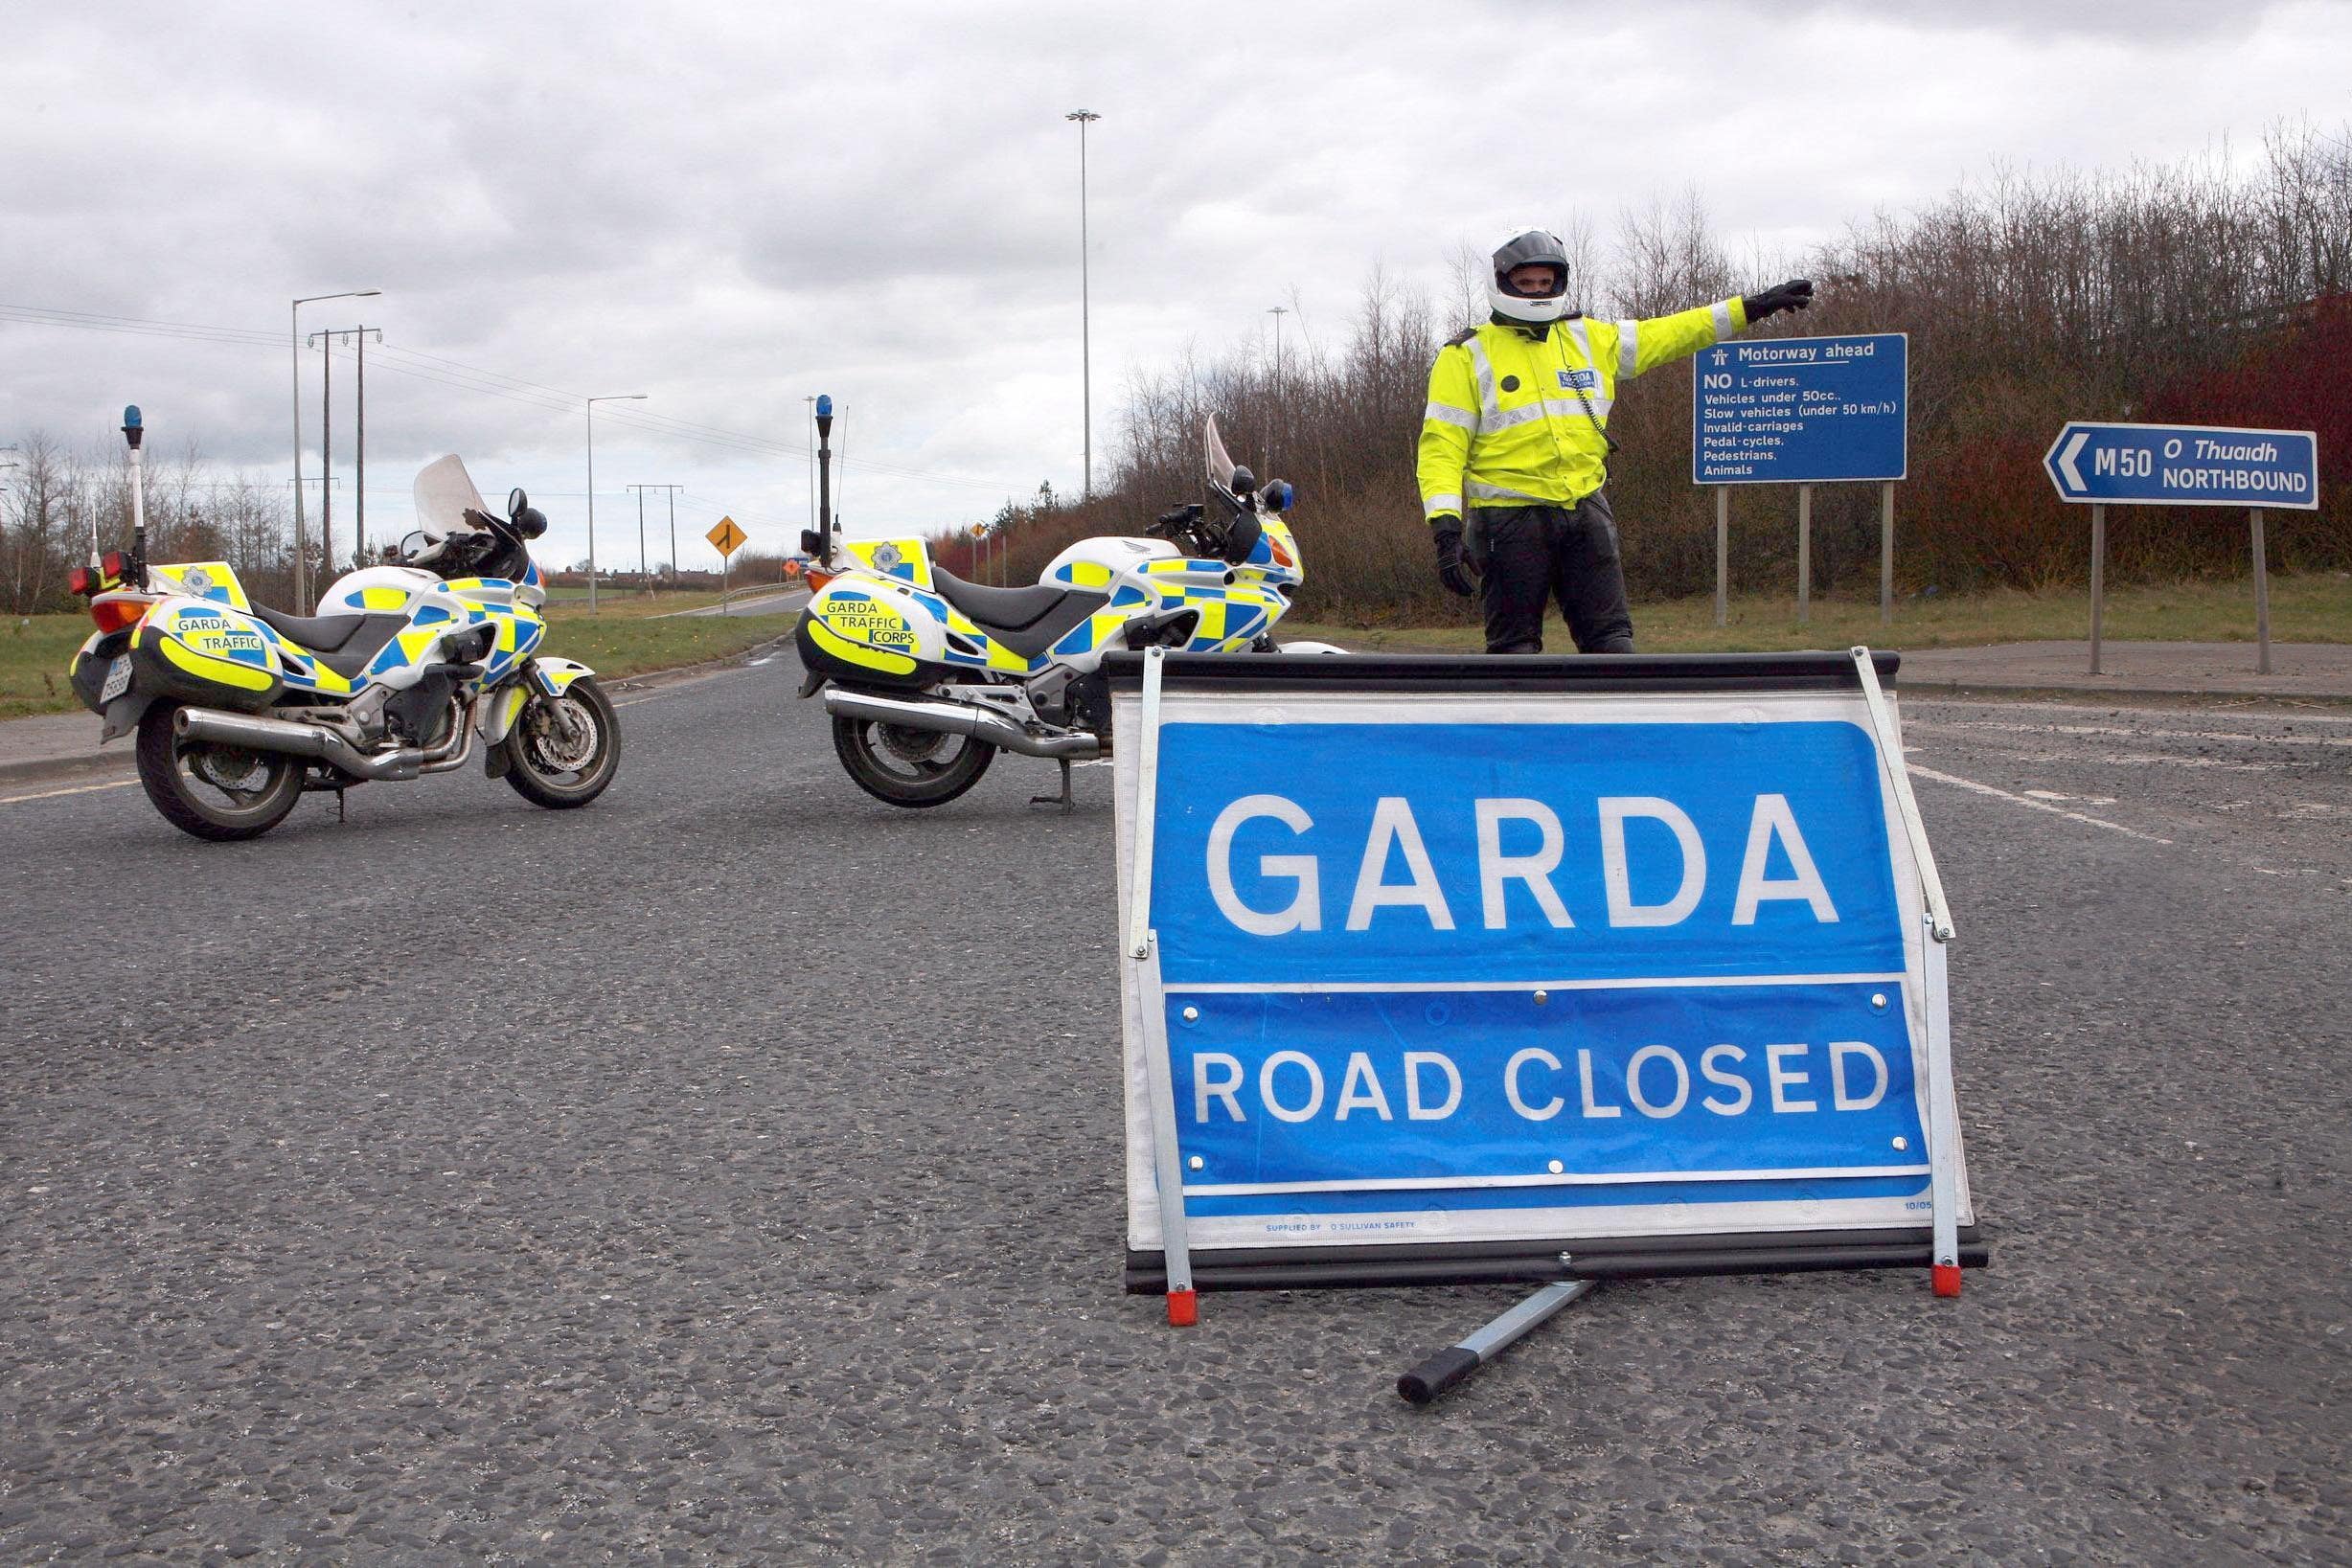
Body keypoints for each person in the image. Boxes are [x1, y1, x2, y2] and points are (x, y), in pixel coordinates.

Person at [1418, 229, 1814, 653]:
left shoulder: (1589, 338)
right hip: (1510, 522)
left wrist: (1751, 308)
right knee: (1516, 651)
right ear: (1503, 283)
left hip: (1585, 512)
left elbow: (1672, 333)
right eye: (1526, 283)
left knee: (1613, 646)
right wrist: (1446, 530)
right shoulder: (1466, 355)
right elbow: (1442, 446)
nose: (1537, 292)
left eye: (1545, 283)